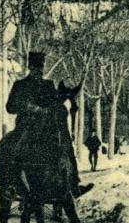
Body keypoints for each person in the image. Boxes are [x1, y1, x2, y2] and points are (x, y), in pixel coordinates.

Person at [6, 51, 93, 198]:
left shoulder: (48, 85)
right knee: (17, 148)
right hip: (25, 126)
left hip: (46, 127)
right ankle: (12, 185)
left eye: (40, 69)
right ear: (29, 68)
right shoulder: (19, 85)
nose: (38, 72)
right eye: (35, 69)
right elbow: (10, 107)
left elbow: (56, 104)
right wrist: (28, 107)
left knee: (66, 145)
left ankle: (73, 185)